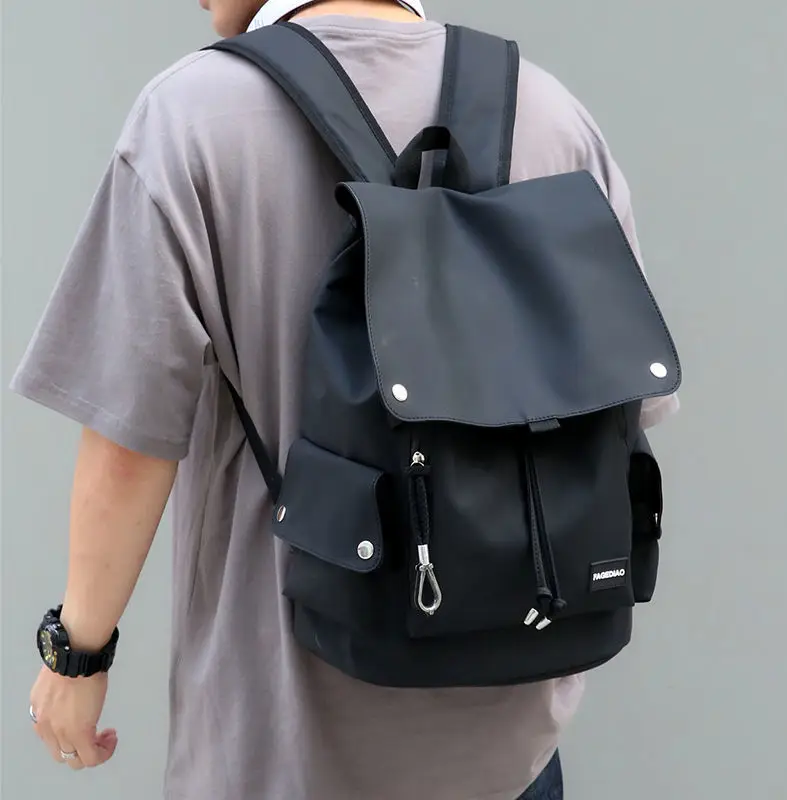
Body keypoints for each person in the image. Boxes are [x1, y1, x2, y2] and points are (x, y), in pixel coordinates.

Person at [13, 1, 679, 798]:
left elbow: (130, 441)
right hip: (515, 758)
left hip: (280, 754)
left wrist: (76, 655)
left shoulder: (189, 118)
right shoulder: (552, 114)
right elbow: (626, 412)